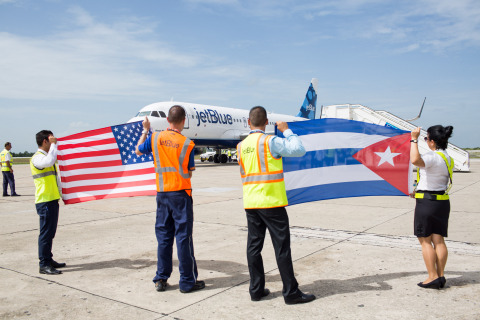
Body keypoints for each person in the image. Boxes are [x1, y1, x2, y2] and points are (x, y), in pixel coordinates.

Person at [237, 106, 315, 304]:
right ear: (266, 123)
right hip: (271, 202)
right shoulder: (269, 141)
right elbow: (298, 149)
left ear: (248, 122)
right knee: (282, 248)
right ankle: (290, 292)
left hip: (251, 202)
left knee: (254, 247)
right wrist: (287, 130)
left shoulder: (241, 146)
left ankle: (256, 290)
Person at [135, 105, 205, 293]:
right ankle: (187, 282)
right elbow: (189, 173)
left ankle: (161, 278)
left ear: (167, 120)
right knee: (183, 238)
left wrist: (145, 131)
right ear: (184, 121)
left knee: (164, 238)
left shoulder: (155, 137)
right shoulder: (187, 144)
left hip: (162, 194)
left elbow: (138, 151)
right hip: (181, 195)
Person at [410, 125, 454, 289]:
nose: (425, 141)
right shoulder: (447, 157)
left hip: (427, 203)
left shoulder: (432, 157)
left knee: (425, 240)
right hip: (441, 202)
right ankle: (440, 275)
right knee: (439, 240)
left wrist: (413, 139)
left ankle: (432, 276)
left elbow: (415, 160)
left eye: (426, 138)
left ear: (433, 142)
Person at [31, 130, 66, 275]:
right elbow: (50, 161)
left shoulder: (47, 156)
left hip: (52, 200)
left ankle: (48, 259)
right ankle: (43, 264)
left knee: (50, 233)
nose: (54, 140)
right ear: (45, 141)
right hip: (44, 201)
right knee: (45, 234)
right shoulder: (37, 158)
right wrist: (54, 145)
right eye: (51, 139)